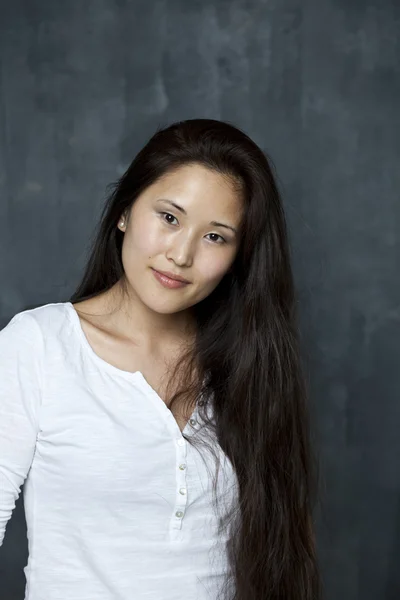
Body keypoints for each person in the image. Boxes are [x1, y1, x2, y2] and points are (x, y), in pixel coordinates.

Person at [0, 118, 322, 600]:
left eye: (216, 236)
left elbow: (277, 555)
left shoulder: (247, 361)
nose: (181, 254)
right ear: (125, 211)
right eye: (169, 217)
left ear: (240, 255)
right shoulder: (39, 345)